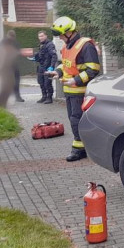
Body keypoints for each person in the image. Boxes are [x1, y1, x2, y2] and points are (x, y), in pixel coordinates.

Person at [45, 16, 100, 162]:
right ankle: (81, 147)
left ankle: (79, 150)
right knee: (73, 119)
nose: (60, 38)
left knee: (77, 120)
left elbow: (93, 69)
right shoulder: (67, 47)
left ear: (69, 32)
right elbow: (66, 65)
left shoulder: (85, 45)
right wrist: (58, 72)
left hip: (80, 92)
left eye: (61, 35)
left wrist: (75, 80)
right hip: (70, 92)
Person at [0, 30, 22, 108]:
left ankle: (17, 96)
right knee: (7, 83)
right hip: (6, 67)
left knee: (16, 81)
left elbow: (17, 52)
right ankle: (3, 100)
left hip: (14, 65)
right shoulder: (4, 43)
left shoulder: (15, 43)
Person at [31, 30, 56, 104]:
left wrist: (52, 67)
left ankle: (49, 98)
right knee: (41, 82)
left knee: (47, 83)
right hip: (41, 66)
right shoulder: (41, 45)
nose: (40, 38)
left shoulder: (50, 44)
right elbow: (41, 55)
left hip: (48, 67)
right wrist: (36, 57)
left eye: (42, 36)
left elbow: (54, 56)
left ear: (46, 36)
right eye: (39, 36)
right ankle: (44, 97)